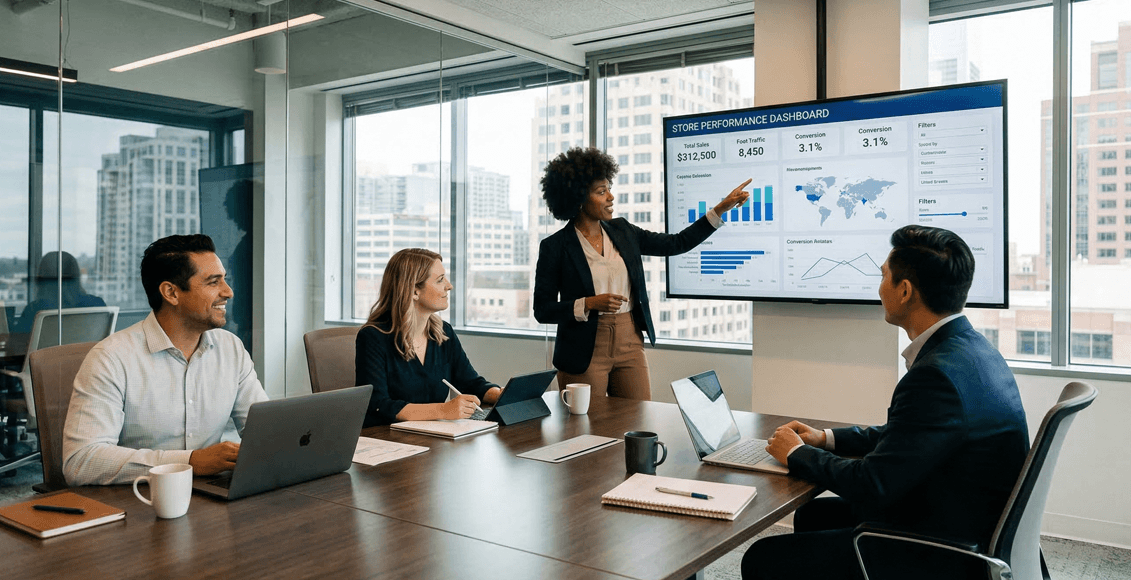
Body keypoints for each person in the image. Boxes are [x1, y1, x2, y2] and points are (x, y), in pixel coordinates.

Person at [740, 225, 1030, 580]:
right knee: (813, 516)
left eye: (883, 277)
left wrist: (797, 454)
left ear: (905, 291)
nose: (878, 288)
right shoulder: (973, 350)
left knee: (762, 558)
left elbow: (872, 486)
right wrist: (826, 438)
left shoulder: (935, 376)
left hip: (942, 550)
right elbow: (908, 436)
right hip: (962, 519)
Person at [532, 147, 751, 399]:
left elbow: (676, 243)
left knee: (638, 419)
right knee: (586, 428)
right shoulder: (555, 247)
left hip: (629, 339)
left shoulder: (623, 230)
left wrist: (719, 210)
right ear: (578, 198)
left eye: (609, 189)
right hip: (583, 349)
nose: (610, 197)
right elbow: (543, 310)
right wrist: (589, 303)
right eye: (601, 192)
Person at [62, 234, 267, 486]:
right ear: (171, 292)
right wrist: (189, 461)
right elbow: (81, 461)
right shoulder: (111, 358)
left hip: (211, 495)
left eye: (225, 280)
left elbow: (263, 431)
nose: (228, 292)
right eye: (213, 282)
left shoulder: (231, 349)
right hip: (138, 500)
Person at [356, 248, 501, 428]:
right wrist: (443, 410)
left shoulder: (443, 332)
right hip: (389, 441)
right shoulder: (373, 337)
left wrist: (499, 393)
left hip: (434, 440)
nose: (449, 286)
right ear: (414, 291)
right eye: (440, 280)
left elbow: (470, 383)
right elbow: (377, 404)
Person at [13, 251, 106, 333]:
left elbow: (16, 345)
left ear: (41, 279)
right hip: (87, 353)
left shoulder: (34, 310)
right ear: (77, 276)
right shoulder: (97, 304)